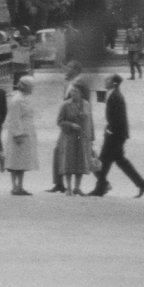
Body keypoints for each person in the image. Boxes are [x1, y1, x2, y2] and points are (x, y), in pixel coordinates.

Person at [88, 74, 144, 197]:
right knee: (120, 162)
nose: (105, 81)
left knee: (103, 162)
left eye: (108, 80)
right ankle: (141, 184)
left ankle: (101, 187)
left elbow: (119, 118)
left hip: (115, 135)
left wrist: (110, 130)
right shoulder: (114, 95)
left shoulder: (116, 97)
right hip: (118, 135)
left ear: (114, 83)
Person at [48, 60, 95, 193]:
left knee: (80, 152)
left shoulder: (80, 83)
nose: (66, 70)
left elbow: (85, 104)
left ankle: (61, 183)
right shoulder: (69, 82)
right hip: (68, 122)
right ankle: (60, 182)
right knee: (67, 151)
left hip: (77, 122)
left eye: (69, 68)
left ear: (75, 70)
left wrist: (83, 120)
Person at [56, 84, 95, 195]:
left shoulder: (86, 104)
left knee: (81, 161)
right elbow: (59, 121)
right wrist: (71, 125)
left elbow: (90, 121)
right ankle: (68, 188)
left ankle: (77, 187)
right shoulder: (65, 105)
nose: (73, 93)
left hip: (82, 137)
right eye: (72, 91)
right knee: (68, 161)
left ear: (81, 93)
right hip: (69, 137)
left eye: (76, 91)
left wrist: (91, 137)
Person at [3, 75, 38, 195]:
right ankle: (15, 186)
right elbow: (14, 118)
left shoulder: (25, 98)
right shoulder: (17, 100)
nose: (32, 88)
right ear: (26, 87)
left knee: (22, 161)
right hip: (18, 133)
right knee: (15, 161)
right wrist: (17, 134)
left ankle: (20, 186)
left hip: (26, 131)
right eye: (31, 86)